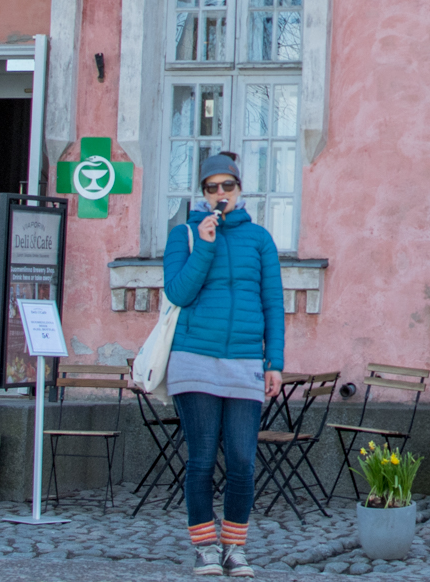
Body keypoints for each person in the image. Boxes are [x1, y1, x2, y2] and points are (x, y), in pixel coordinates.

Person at [165, 153, 286, 578]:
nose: (220, 195)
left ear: (239, 190)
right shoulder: (185, 235)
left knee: (241, 460)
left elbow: (273, 302)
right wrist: (206, 245)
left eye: (227, 187)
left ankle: (234, 547)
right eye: (212, 188)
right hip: (193, 359)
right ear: (202, 193)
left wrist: (275, 362)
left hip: (245, 363)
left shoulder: (260, 239)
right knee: (200, 459)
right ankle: (204, 549)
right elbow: (178, 293)